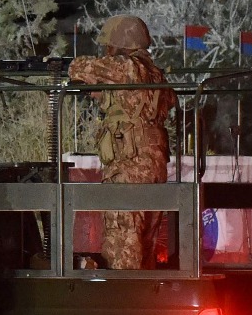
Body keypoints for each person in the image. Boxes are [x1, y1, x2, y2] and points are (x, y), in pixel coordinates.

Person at [69, 14, 177, 269]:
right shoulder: (154, 73)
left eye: (109, 46)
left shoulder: (127, 67)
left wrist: (57, 65)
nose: (106, 51)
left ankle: (126, 299)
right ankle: (145, 300)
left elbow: (79, 67)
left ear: (119, 45)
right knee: (145, 243)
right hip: (153, 166)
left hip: (129, 168)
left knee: (122, 241)